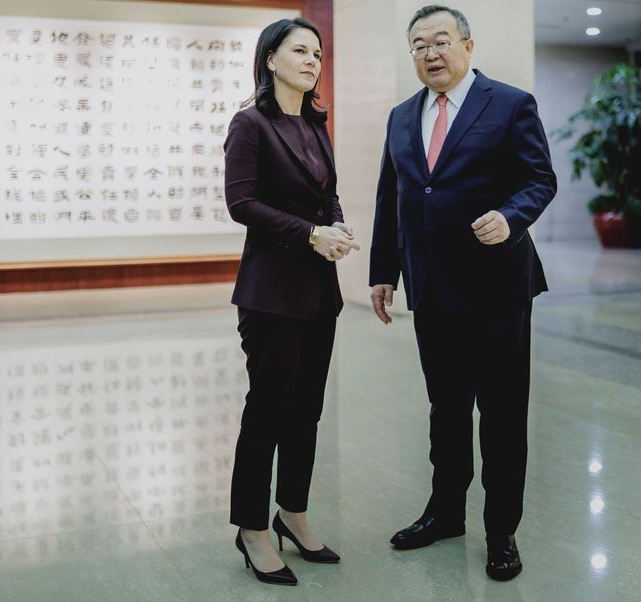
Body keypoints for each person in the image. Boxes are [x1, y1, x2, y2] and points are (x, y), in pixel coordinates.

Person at [368, 5, 556, 582]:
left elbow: (539, 178)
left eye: (441, 41)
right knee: (445, 411)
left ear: (468, 46)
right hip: (432, 289)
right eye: (419, 45)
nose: (431, 53)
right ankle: (445, 512)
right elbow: (391, 198)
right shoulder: (402, 116)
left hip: (498, 287)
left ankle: (502, 531)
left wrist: (511, 215)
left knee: (500, 414)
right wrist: (383, 270)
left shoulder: (510, 103)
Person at [223, 17, 359, 587]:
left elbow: (328, 198)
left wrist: (340, 228)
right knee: (269, 408)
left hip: (317, 293)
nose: (313, 61)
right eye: (300, 51)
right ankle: (252, 528)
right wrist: (309, 234)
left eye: (318, 53)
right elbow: (242, 203)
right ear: (271, 58)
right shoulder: (250, 124)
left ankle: (292, 513)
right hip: (270, 293)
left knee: (307, 411)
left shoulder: (315, 125)